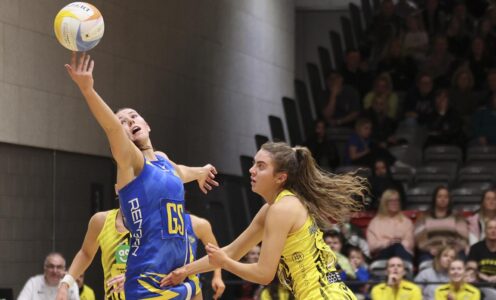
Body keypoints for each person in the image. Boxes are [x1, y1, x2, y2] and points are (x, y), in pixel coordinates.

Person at [63, 52, 219, 298]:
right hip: (148, 283)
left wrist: (200, 172)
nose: (128, 121)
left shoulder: (164, 162)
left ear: (147, 125)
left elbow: (180, 172)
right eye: (123, 121)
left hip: (179, 274)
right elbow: (111, 128)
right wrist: (88, 90)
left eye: (133, 116)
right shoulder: (132, 162)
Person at [161, 142, 367, 299]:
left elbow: (263, 274)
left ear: (280, 177)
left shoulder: (282, 209)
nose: (251, 170)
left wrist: (226, 264)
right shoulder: (271, 209)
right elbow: (233, 251)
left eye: (261, 166)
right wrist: (185, 271)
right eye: (253, 164)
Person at [414, 186, 469, 264]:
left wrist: (453, 250)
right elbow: (419, 237)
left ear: (449, 199)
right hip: (430, 252)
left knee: (459, 264)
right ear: (435, 199)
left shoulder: (457, 217)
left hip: (453, 250)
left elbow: (463, 237)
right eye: (440, 196)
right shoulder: (424, 217)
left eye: (446, 197)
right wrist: (430, 249)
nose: (443, 199)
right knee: (425, 265)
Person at [367, 189, 414, 262]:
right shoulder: (375, 223)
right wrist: (388, 243)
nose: (395, 203)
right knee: (393, 246)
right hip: (382, 254)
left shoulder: (407, 222)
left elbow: (410, 243)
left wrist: (397, 243)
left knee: (397, 247)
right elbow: (372, 246)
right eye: (391, 201)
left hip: (402, 253)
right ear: (384, 203)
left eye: (397, 200)